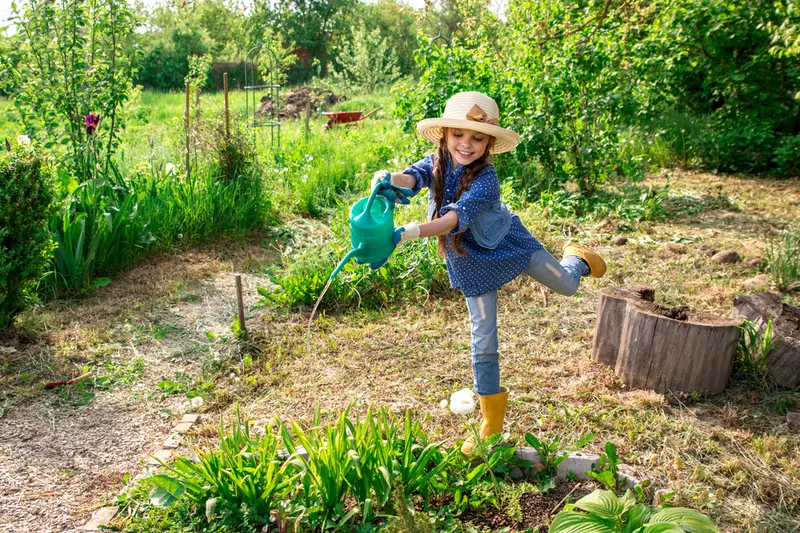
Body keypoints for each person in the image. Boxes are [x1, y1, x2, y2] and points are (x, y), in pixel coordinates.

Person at [372, 92, 606, 453]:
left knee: (567, 285)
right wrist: (389, 177)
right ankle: (491, 425)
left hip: (509, 245)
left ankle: (576, 259)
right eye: (458, 136)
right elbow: (413, 178)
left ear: (489, 143)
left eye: (477, 138)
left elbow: (453, 219)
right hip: (471, 262)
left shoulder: (486, 180)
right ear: (445, 136)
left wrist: (408, 232)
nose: (466, 144)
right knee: (483, 338)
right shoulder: (437, 162)